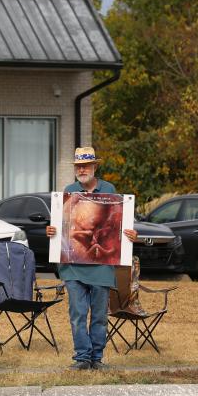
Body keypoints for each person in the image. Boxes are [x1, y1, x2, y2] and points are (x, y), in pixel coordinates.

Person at [46, 147, 137, 371]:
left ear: (95, 167)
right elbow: (63, 227)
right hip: (73, 265)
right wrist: (52, 231)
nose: (82, 169)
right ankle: (82, 358)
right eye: (78, 166)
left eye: (86, 165)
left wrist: (131, 234)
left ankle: (96, 358)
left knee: (99, 315)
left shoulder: (110, 190)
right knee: (77, 314)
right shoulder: (68, 192)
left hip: (101, 265)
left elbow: (116, 224)